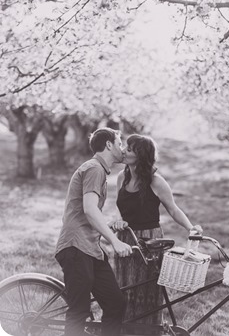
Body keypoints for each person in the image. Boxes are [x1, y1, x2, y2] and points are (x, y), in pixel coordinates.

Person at [110, 134, 202, 326]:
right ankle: (125, 329)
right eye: (125, 147)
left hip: (149, 241)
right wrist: (119, 220)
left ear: (141, 155)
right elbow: (121, 207)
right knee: (125, 287)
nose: (124, 151)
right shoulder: (121, 177)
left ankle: (148, 330)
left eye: (129, 149)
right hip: (126, 239)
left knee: (147, 291)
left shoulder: (156, 181)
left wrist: (190, 228)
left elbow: (173, 209)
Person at [55, 128, 133, 336]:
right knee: (79, 311)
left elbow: (88, 212)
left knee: (115, 303)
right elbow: (89, 209)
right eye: (119, 143)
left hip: (91, 250)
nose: (122, 148)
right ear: (109, 145)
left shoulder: (98, 170)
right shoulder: (94, 168)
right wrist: (115, 242)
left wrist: (111, 224)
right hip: (76, 247)